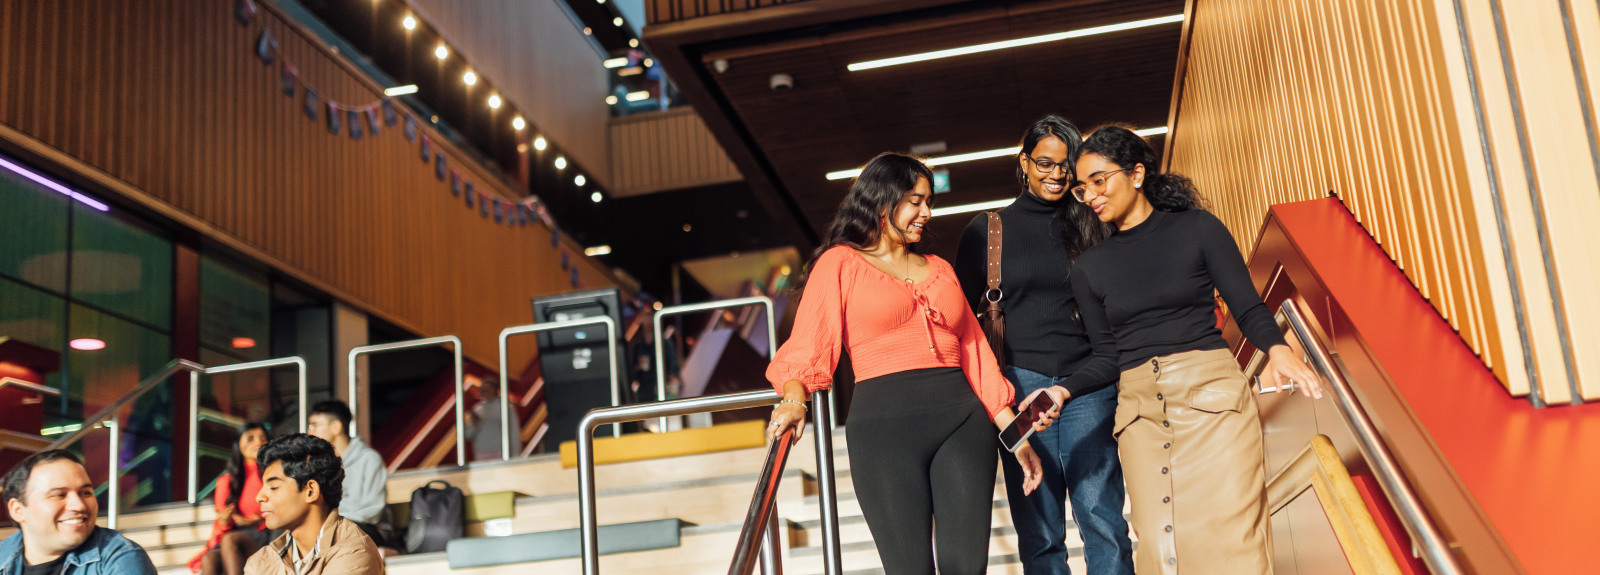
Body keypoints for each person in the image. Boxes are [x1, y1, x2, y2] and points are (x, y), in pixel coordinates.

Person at [1044, 125, 1323, 574]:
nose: (1091, 195)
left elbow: (1247, 306)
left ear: (1136, 174)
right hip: (1141, 418)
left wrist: (1277, 349)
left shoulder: (1198, 230)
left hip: (1215, 407)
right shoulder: (1090, 268)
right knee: (1160, 550)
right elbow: (1108, 357)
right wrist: (1064, 391)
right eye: (1082, 188)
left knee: (1235, 544)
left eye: (1100, 180)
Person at [766, 152, 1053, 574]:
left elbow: (977, 357)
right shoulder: (840, 264)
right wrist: (794, 400)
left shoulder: (939, 269)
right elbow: (810, 342)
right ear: (883, 201)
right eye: (915, 201)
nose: (926, 212)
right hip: (883, 431)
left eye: (929, 201)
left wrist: (1018, 437)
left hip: (961, 424)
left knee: (966, 567)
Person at [953, 115, 1133, 575]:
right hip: (1018, 386)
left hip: (1087, 384)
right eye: (1045, 163)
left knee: (1103, 518)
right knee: (1040, 531)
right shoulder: (986, 232)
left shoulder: (1093, 224)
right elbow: (959, 323)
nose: (1055, 174)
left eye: (1065, 165)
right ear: (1024, 163)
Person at [244, 434, 384, 575]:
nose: (259, 497)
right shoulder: (261, 562)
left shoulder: (354, 553)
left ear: (311, 491)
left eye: (273, 487)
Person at [0, 450, 158, 575]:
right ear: (18, 510)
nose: (79, 505)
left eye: (86, 493)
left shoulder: (121, 558)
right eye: (59, 495)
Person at [190, 423, 273, 575]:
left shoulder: (273, 473)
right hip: (236, 533)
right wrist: (224, 521)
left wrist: (259, 521)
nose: (258, 442)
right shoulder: (227, 480)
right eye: (250, 438)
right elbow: (222, 523)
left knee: (230, 540)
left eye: (262, 438)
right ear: (238, 445)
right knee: (209, 559)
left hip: (265, 533)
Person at [305, 401, 391, 549]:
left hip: (366, 529)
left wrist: (335, 521)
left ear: (336, 427)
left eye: (315, 425)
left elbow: (373, 510)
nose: (309, 431)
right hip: (329, 527)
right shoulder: (317, 464)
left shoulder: (368, 459)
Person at [462, 380, 522, 460]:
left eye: (486, 390)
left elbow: (514, 432)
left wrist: (516, 455)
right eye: (482, 390)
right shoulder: (477, 409)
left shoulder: (506, 407)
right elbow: (468, 435)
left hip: (500, 451)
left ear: (494, 390)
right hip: (481, 452)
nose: (484, 392)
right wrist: (475, 423)